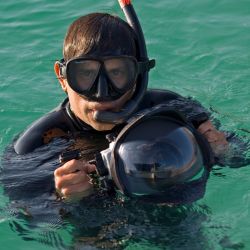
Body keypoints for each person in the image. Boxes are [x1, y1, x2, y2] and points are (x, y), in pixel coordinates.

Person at [13, 12, 230, 202]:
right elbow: (28, 220)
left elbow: (238, 157)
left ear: (137, 75)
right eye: (86, 74)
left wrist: (222, 151)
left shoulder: (170, 109)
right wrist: (65, 200)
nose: (102, 92)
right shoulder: (36, 145)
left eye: (117, 73)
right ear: (62, 78)